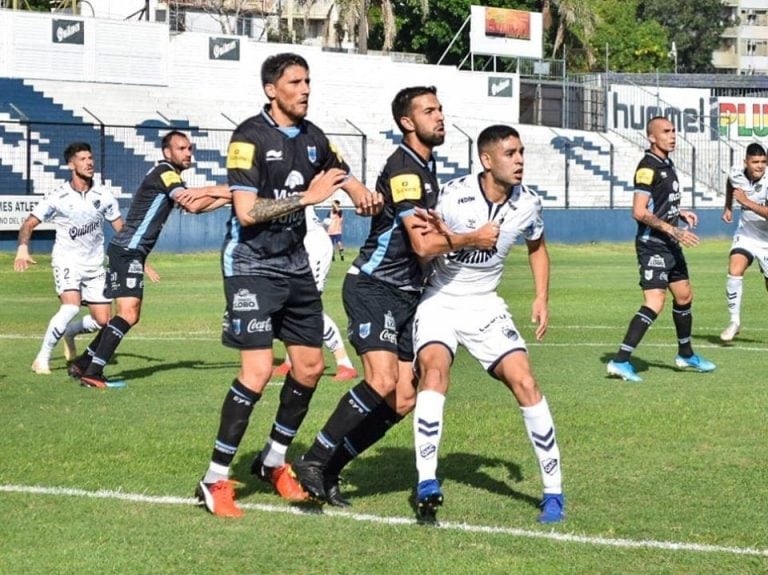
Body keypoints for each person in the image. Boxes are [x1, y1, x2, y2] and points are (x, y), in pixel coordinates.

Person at [292, 86, 499, 506]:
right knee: (381, 379)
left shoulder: (426, 166)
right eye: (429, 111)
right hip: (375, 287)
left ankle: (331, 468)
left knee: (404, 397)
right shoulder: (405, 167)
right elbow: (421, 246)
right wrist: (470, 238)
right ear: (407, 122)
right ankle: (312, 458)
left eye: (440, 108)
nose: (440, 116)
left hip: (409, 296)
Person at [195, 52, 381, 518]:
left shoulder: (314, 136)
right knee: (257, 372)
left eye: (308, 82)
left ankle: (273, 461)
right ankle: (215, 478)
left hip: (295, 263)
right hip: (251, 264)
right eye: (295, 82)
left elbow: (338, 171)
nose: (305, 90)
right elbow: (245, 212)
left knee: (310, 367)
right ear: (271, 90)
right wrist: (308, 198)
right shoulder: (247, 138)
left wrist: (357, 191)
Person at [411, 124, 564, 524]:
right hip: (441, 300)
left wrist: (541, 297)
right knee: (434, 373)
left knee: (526, 382)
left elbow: (538, 247)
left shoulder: (529, 203)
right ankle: (427, 483)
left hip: (485, 306)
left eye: (521, 153)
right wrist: (461, 239)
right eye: (511, 154)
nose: (519, 161)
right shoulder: (453, 195)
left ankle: (554, 493)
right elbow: (423, 248)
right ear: (486, 160)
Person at [67, 130, 231, 388]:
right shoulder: (166, 173)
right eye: (182, 148)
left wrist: (229, 197)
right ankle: (94, 372)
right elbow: (191, 203)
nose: (188, 153)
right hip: (128, 251)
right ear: (168, 152)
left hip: (128, 250)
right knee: (128, 315)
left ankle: (84, 363)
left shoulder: (171, 176)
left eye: (190, 148)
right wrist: (229, 189)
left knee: (127, 315)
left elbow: (196, 206)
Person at [606, 116, 715, 383]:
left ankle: (686, 354)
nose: (673, 135)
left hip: (669, 242)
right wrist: (673, 229)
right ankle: (620, 361)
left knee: (684, 295)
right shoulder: (647, 167)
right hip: (652, 244)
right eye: (666, 131)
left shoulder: (667, 164)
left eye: (674, 131)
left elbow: (661, 205)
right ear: (652, 137)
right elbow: (639, 211)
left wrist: (680, 214)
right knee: (655, 301)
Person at [14, 142, 122, 375]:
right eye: (82, 159)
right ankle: (41, 359)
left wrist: (134, 255)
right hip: (67, 262)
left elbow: (120, 228)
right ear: (71, 165)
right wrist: (23, 248)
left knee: (104, 321)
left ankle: (70, 332)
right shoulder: (58, 196)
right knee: (70, 307)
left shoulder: (103, 195)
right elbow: (29, 223)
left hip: (95, 265)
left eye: (90, 158)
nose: (89, 162)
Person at [271, 205, 359, 381]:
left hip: (312, 244)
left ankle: (344, 363)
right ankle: (291, 361)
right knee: (287, 303)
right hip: (295, 243)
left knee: (308, 306)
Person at [719, 143, 768, 342]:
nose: (760, 166)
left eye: (764, 162)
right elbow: (731, 182)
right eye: (755, 162)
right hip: (746, 234)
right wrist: (728, 206)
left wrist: (746, 202)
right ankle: (734, 321)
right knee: (735, 268)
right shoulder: (736, 173)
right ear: (745, 162)